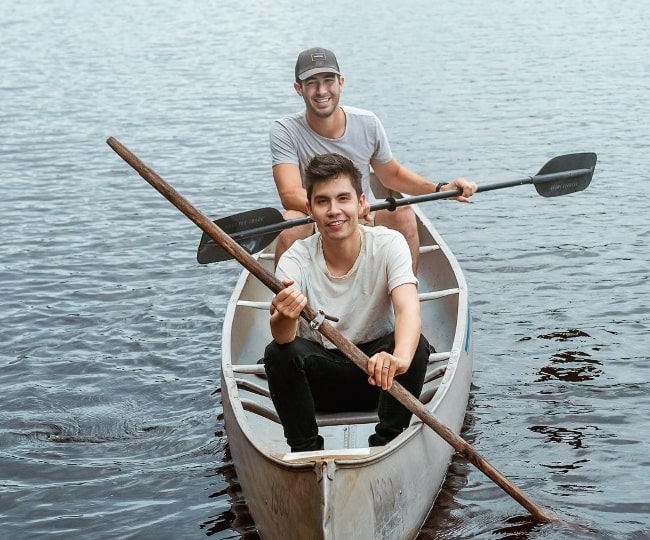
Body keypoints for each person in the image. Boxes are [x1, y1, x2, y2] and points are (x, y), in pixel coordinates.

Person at [263, 153, 431, 452]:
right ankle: (306, 452)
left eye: (343, 198)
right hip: (319, 381)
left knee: (414, 345)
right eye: (323, 201)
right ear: (311, 209)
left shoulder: (388, 243)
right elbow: (282, 336)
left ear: (361, 204)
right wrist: (286, 315)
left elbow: (408, 310)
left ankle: (387, 444)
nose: (334, 210)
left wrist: (399, 359)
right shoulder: (296, 258)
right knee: (278, 354)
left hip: (379, 377)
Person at [270, 46, 478, 270]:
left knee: (404, 213)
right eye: (311, 82)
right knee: (291, 223)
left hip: (363, 214)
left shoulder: (367, 122)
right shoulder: (284, 130)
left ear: (341, 82)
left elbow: (392, 176)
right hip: (316, 217)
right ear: (298, 88)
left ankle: (407, 296)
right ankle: (285, 301)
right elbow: (290, 193)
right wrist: (337, 209)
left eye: (328, 80)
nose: (321, 90)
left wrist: (442, 189)